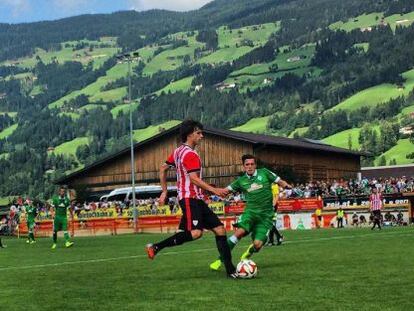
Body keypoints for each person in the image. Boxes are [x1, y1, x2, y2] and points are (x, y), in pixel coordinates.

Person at [145, 120, 238, 278]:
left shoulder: (178, 151)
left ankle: (231, 270)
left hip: (195, 199)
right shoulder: (190, 154)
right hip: (190, 198)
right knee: (195, 233)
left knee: (220, 229)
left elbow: (162, 168)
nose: (202, 136)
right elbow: (194, 179)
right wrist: (214, 190)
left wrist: (164, 192)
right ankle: (155, 247)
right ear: (189, 135)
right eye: (198, 133)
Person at [209, 154, 292, 271]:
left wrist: (287, 186)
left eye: (252, 164)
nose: (250, 166)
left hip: (266, 216)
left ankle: (249, 252)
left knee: (258, 244)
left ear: (255, 165)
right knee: (239, 233)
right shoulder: (241, 181)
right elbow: (226, 191)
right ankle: (220, 259)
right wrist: (211, 190)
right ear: (243, 166)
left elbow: (280, 181)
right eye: (247, 164)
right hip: (250, 214)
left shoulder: (264, 173)